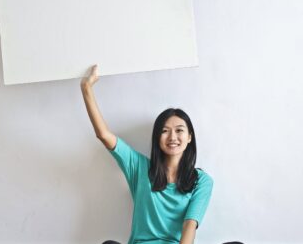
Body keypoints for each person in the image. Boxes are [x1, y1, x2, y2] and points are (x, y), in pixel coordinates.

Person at [81, 65, 214, 244]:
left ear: (189, 137)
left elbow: (189, 225)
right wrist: (86, 88)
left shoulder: (202, 181)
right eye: (165, 131)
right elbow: (104, 135)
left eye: (179, 130)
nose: (172, 137)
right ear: (157, 138)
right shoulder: (139, 167)